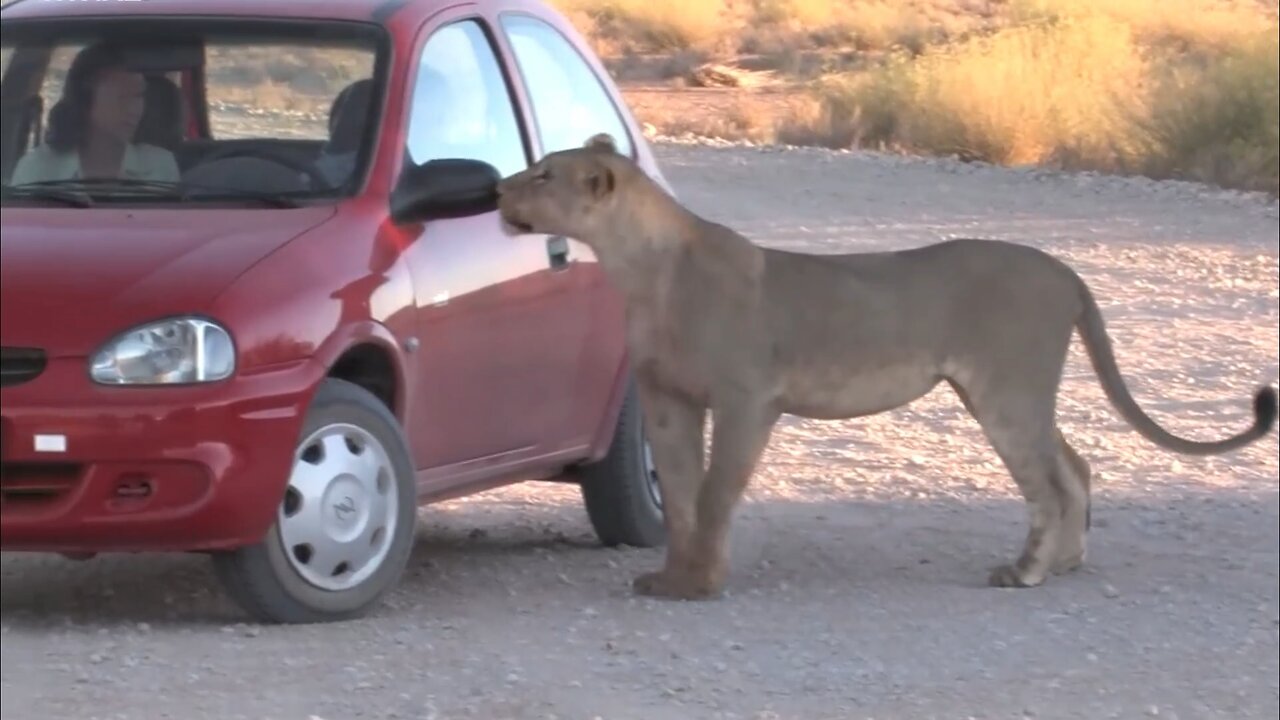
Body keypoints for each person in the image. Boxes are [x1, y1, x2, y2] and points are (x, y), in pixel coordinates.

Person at [9, 42, 180, 185]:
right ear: (85, 100)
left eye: (139, 96)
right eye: (122, 97)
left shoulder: (160, 166)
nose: (135, 109)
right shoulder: (38, 169)